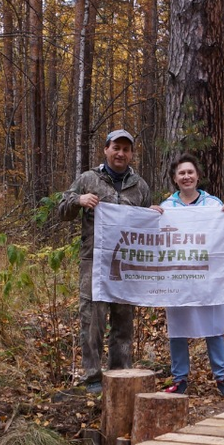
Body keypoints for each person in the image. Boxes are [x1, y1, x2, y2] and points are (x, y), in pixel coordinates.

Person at [58, 129, 161, 394]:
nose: (121, 153)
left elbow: (147, 229)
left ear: (131, 154)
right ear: (106, 149)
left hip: (127, 264)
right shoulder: (89, 179)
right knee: (92, 318)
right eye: (116, 147)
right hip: (94, 261)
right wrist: (78, 200)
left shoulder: (140, 186)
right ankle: (93, 376)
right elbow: (62, 210)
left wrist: (152, 215)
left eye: (126, 149)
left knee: (123, 320)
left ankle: (120, 375)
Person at [160, 154, 224, 398]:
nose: (186, 177)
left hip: (207, 277)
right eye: (181, 173)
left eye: (190, 172)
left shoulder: (213, 205)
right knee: (178, 329)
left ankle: (222, 377)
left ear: (198, 176)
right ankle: (180, 378)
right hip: (178, 277)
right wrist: (151, 215)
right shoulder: (166, 207)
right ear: (175, 178)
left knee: (213, 327)